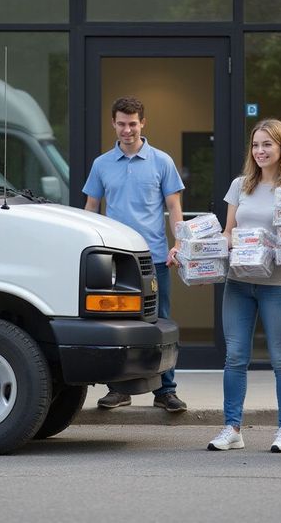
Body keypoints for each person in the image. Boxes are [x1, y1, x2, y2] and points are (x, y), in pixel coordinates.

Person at [208, 118, 281, 453]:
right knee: (235, 357)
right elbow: (227, 232)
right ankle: (232, 428)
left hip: (278, 286)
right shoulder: (241, 186)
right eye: (255, 145)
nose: (260, 151)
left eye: (267, 144)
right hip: (238, 283)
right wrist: (195, 250)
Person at [83, 96, 187, 412]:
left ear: (143, 123)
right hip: (114, 259)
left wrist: (179, 244)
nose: (127, 130)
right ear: (113, 124)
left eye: (132, 124)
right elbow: (90, 209)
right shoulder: (101, 164)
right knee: (117, 322)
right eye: (121, 124)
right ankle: (119, 389)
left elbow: (174, 208)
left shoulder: (162, 162)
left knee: (160, 321)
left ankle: (166, 391)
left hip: (154, 257)